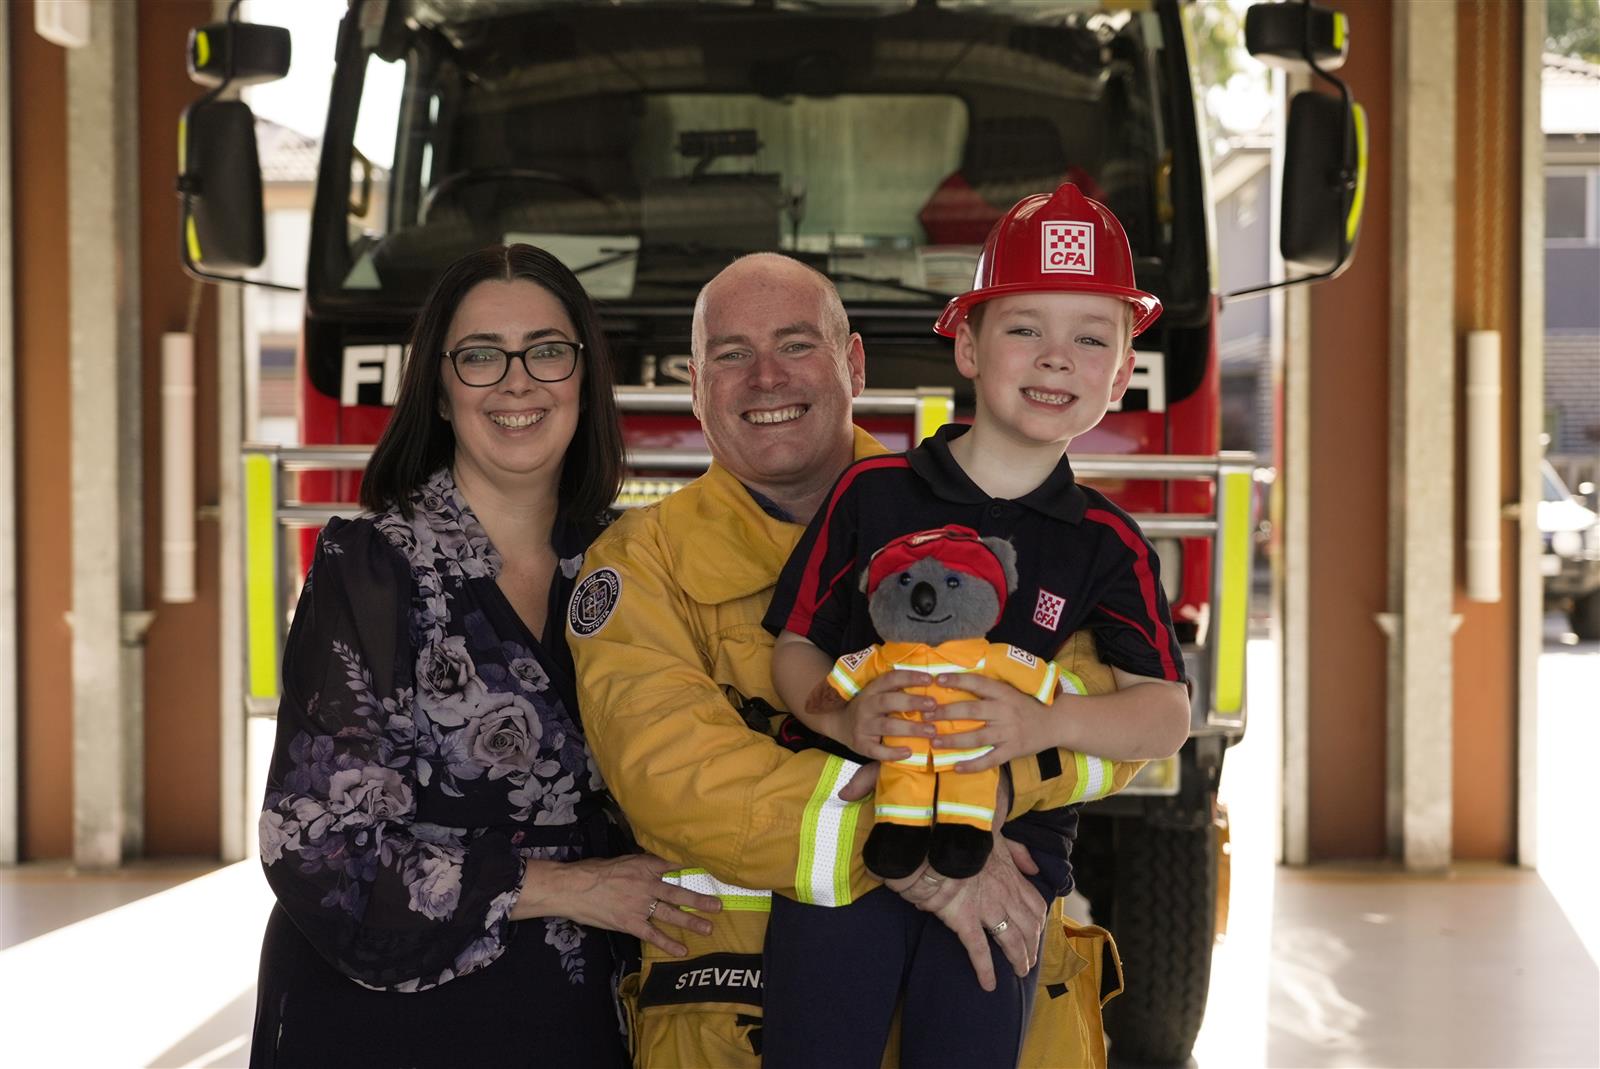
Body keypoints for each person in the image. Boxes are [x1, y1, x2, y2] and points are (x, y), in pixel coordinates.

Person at [567, 250, 1145, 1068]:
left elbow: (1106, 698)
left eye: (797, 344)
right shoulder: (640, 563)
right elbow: (668, 767)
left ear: (855, 364)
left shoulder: (992, 511)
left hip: (996, 997)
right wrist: (920, 850)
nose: (767, 378)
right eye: (732, 355)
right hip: (744, 1020)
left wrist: (1002, 786)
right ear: (696, 386)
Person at [250, 244, 719, 1069]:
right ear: (437, 388)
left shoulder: (633, 561)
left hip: (581, 1016)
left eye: (546, 350)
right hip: (388, 1027)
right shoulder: (371, 566)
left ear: (582, 376)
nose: (517, 382)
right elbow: (317, 846)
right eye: (479, 356)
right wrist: (575, 887)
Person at [760, 182, 1191, 1068]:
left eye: (1091, 339)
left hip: (1009, 862)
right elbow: (796, 643)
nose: (1057, 359)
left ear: (1120, 375)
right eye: (1025, 327)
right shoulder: (870, 493)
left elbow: (1165, 714)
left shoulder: (1106, 541)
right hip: (852, 843)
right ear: (966, 344)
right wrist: (839, 717)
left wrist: (1046, 723)